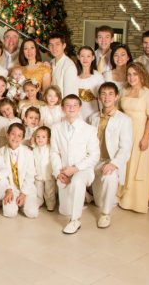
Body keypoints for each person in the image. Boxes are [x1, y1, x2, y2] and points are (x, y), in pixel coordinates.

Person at [50, 95, 100, 234]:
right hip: (64, 171)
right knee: (64, 210)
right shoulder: (56, 128)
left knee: (77, 181)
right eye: (68, 105)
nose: (71, 108)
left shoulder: (89, 129)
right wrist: (58, 172)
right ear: (62, 108)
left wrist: (75, 169)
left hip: (83, 170)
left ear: (79, 108)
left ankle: (75, 220)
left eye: (74, 105)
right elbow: (54, 152)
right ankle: (83, 197)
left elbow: (94, 155)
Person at [88, 82, 133, 228]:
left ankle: (105, 214)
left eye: (110, 94)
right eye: (103, 94)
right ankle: (90, 196)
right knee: (97, 201)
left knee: (110, 176)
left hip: (110, 161)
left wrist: (114, 164)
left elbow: (126, 147)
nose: (106, 97)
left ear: (116, 97)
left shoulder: (124, 120)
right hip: (94, 160)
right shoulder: (93, 118)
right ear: (99, 97)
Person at [119, 63, 149, 213]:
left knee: (136, 164)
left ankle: (134, 200)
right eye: (129, 74)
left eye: (135, 74)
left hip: (139, 131)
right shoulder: (124, 91)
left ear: (141, 75)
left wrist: (145, 138)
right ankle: (121, 196)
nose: (132, 77)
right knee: (125, 162)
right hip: (125, 131)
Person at [0, 123, 38, 218]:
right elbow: (2, 175)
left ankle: (23, 202)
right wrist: (8, 190)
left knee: (32, 213)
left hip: (26, 188)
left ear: (22, 138)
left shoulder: (28, 152)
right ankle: (15, 203)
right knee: (10, 213)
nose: (15, 137)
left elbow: (30, 175)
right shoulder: (0, 152)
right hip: (10, 188)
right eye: (13, 134)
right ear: (7, 135)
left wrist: (24, 194)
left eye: (19, 135)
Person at [76, 46, 104, 121]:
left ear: (93, 57)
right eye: (82, 56)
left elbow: (102, 98)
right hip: (77, 115)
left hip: (93, 115)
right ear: (78, 57)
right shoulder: (74, 76)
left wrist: (102, 114)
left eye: (88, 56)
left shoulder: (98, 77)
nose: (85, 59)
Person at [32, 126, 56, 211]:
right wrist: (34, 173)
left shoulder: (50, 148)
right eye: (38, 137)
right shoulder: (34, 149)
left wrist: (54, 172)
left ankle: (50, 204)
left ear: (48, 139)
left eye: (43, 137)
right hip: (38, 174)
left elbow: (53, 161)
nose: (40, 139)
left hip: (48, 174)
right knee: (38, 190)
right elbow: (33, 162)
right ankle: (39, 201)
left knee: (49, 191)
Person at [48, 33, 78, 97]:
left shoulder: (69, 66)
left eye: (57, 44)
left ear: (64, 46)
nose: (54, 48)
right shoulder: (51, 62)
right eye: (51, 45)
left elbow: (69, 94)